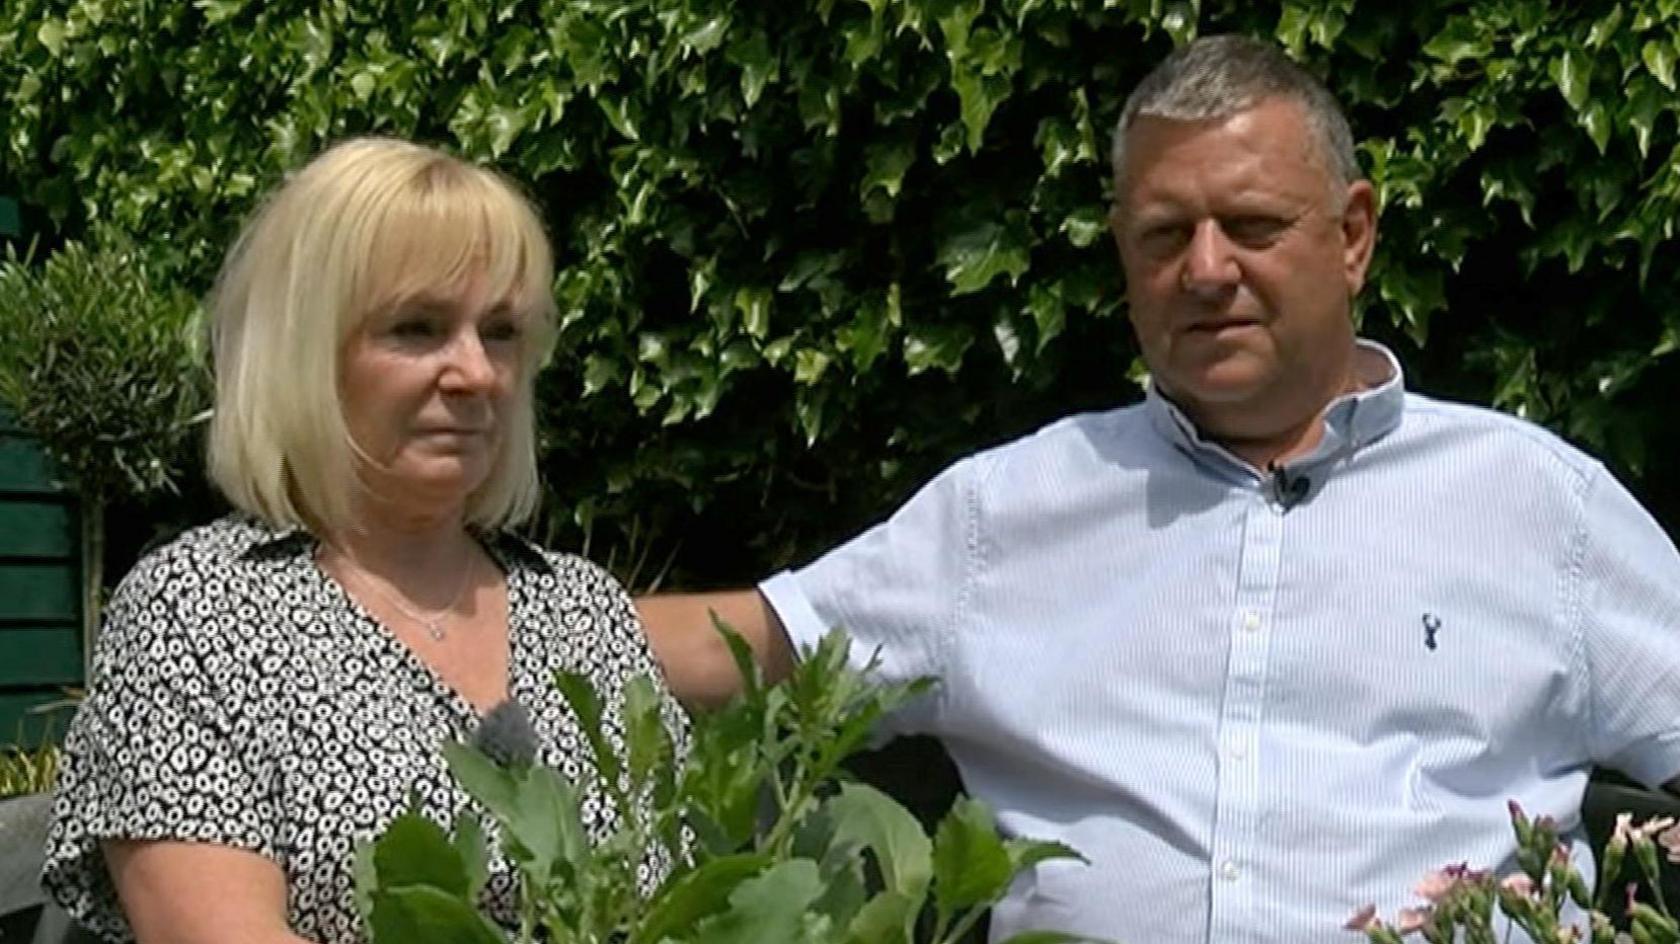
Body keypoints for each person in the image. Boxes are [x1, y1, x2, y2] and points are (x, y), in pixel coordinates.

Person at [637, 35, 1680, 942]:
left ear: (1353, 235)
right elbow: (752, 643)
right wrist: (484, 617)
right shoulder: (1009, 514)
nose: (1208, 269)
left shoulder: (1539, 508)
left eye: (1253, 225)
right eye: (1165, 235)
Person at [42, 138, 688, 944]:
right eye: (418, 329)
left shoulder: (585, 612)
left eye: (500, 333)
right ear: (304, 352)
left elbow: (676, 909)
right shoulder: (198, 615)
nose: (477, 373)